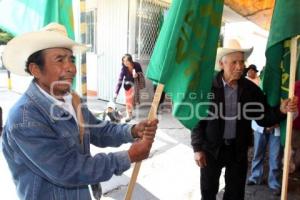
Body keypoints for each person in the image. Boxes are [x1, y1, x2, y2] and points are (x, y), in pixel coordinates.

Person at [1, 23, 158, 200]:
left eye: (71, 59)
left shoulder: (72, 99)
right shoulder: (24, 119)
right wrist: (128, 156)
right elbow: (68, 169)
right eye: (60, 60)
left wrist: (132, 130)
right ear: (35, 69)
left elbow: (98, 129)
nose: (71, 68)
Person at [191, 38, 298, 200]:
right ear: (222, 64)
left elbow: (263, 117)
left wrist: (281, 111)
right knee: (208, 191)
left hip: (238, 151)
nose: (240, 66)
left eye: (241, 62)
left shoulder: (250, 90)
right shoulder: (208, 87)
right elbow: (197, 119)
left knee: (235, 194)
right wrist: (197, 148)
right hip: (211, 150)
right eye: (234, 62)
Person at [246, 65, 282, 196]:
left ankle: (274, 183)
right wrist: (265, 122)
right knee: (257, 153)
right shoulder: (257, 89)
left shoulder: (283, 90)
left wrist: (276, 121)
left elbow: (290, 109)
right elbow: (252, 109)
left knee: (275, 156)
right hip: (259, 126)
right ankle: (255, 177)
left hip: (277, 126)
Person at [114, 54, 144, 122]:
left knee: (133, 99)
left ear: (131, 60)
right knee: (128, 99)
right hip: (127, 86)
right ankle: (129, 114)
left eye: (127, 61)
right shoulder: (124, 68)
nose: (125, 63)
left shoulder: (137, 65)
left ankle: (130, 112)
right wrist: (116, 93)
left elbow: (141, 74)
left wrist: (137, 75)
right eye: (124, 61)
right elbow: (120, 80)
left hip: (136, 84)